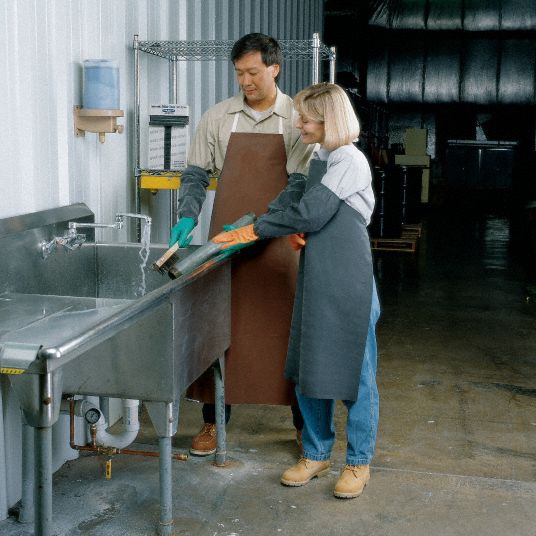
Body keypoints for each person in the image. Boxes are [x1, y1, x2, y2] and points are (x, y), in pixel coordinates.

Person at [213, 82, 381, 499]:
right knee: (311, 366)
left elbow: (313, 211)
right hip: (317, 273)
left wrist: (257, 229)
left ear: (329, 121)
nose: (299, 125)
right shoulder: (319, 156)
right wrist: (273, 223)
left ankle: (358, 462)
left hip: (349, 279)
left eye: (306, 119)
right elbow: (301, 206)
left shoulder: (349, 160)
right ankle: (316, 453)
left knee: (356, 374)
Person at [169, 33, 314, 456]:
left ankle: (305, 427)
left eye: (253, 72)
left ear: (274, 68)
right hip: (226, 245)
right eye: (239, 73)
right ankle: (213, 423)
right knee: (219, 328)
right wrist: (187, 214)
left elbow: (298, 184)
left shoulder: (297, 118)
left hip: (279, 241)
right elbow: (196, 173)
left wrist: (257, 225)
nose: (245, 81)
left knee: (288, 331)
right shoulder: (218, 117)